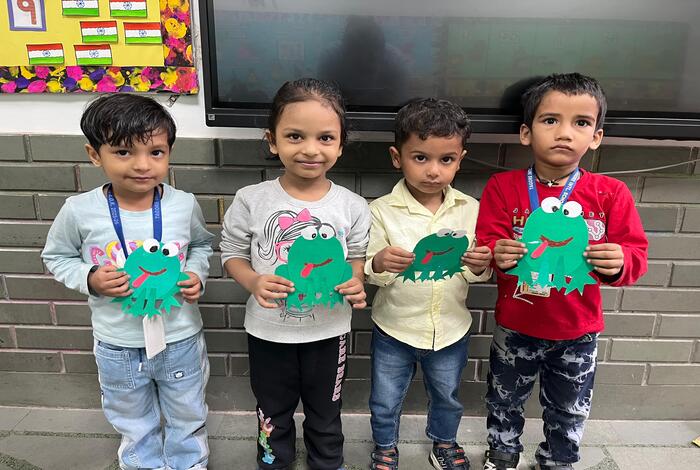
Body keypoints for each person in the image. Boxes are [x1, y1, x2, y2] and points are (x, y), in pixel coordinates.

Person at [477, 73, 648, 470]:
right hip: (516, 324)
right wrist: (496, 253)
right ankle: (502, 452)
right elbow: (486, 244)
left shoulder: (611, 193)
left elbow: (636, 253)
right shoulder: (503, 187)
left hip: (579, 331)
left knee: (570, 407)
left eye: (581, 122)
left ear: (596, 137)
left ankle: (558, 459)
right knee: (503, 399)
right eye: (550, 120)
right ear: (526, 132)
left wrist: (621, 262)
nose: (565, 133)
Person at [41, 94, 214, 470]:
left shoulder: (183, 204)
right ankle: (142, 464)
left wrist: (196, 273)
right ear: (94, 154)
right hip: (117, 344)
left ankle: (189, 464)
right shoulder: (79, 211)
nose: (142, 165)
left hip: (180, 337)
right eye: (123, 152)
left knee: (188, 413)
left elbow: (202, 245)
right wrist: (89, 277)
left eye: (156, 152)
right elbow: (56, 257)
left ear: (169, 153)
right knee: (133, 420)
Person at [220, 78, 371, 470]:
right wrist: (253, 281)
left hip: (330, 332)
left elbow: (356, 257)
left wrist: (356, 281)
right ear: (272, 141)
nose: (310, 149)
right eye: (295, 136)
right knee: (272, 409)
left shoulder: (353, 206)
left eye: (325, 138)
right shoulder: (251, 200)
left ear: (340, 144)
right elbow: (231, 253)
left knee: (326, 410)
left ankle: (327, 462)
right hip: (268, 332)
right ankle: (273, 461)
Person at [365, 98, 493, 470]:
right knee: (385, 398)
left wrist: (480, 265)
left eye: (446, 159)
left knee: (447, 396)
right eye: (420, 158)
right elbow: (370, 269)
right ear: (397, 157)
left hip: (451, 328)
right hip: (395, 328)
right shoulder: (380, 210)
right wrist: (380, 262)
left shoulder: (470, 209)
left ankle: (444, 443)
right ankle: (385, 445)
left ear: (460, 159)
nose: (433, 171)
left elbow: (476, 271)